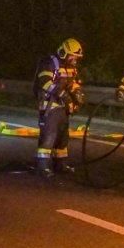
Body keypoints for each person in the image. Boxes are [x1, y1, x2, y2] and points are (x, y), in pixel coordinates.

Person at [35, 38, 85, 176]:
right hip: (50, 104)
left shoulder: (71, 67)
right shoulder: (49, 63)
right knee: (49, 135)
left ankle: (60, 163)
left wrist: (77, 95)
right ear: (64, 52)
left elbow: (73, 83)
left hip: (63, 106)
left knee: (63, 136)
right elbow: (44, 83)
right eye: (73, 56)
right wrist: (64, 95)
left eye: (77, 57)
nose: (75, 59)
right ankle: (42, 166)